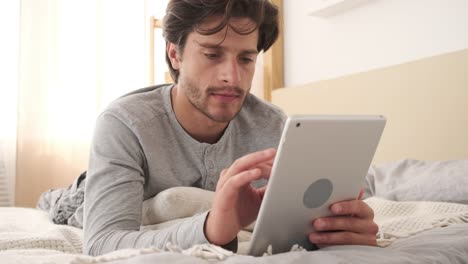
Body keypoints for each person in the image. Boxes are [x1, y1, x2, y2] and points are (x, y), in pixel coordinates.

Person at [82, 0, 378, 256]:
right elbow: (101, 243)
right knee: (68, 201)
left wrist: (339, 228)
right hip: (79, 194)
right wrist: (210, 229)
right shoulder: (124, 124)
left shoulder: (272, 124)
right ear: (175, 53)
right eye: (212, 55)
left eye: (246, 59)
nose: (232, 77)